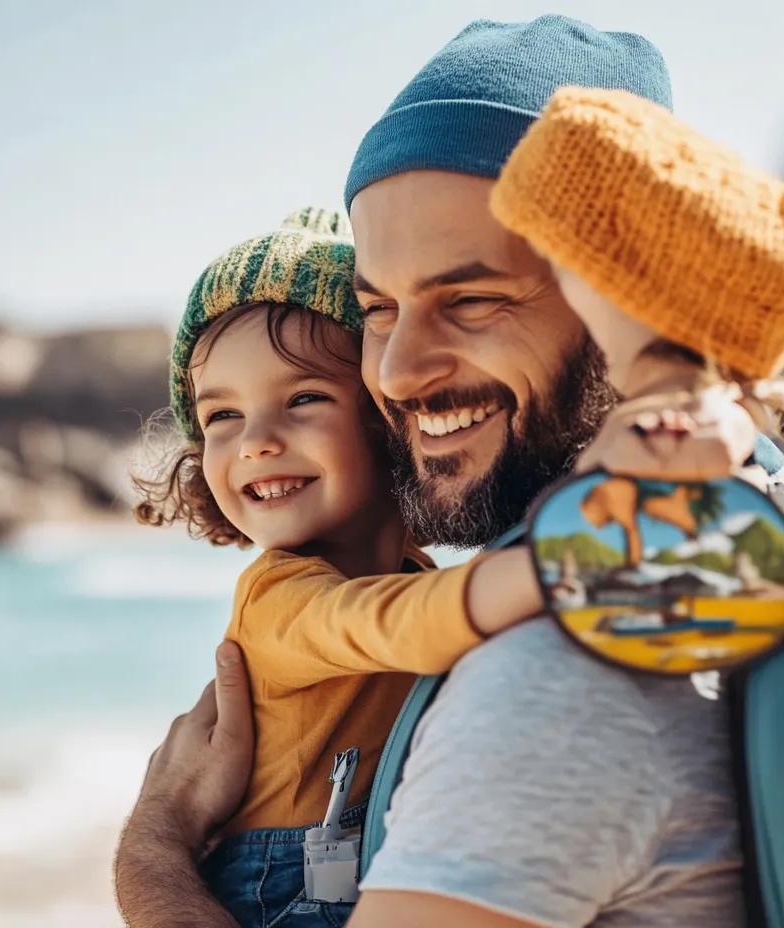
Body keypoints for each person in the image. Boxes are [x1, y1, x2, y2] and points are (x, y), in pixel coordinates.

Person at [116, 16, 784, 928]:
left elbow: (427, 622)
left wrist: (153, 850)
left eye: (472, 299)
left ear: (623, 300)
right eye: (379, 310)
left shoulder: (551, 682)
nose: (399, 372)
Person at [133, 207, 544, 927]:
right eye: (220, 417)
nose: (256, 441)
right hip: (275, 896)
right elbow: (391, 626)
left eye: (303, 399)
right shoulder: (279, 596)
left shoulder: (417, 577)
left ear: (391, 421)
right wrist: (558, 571)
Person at [489, 85, 784, 552]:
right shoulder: (737, 428)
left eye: (556, 260)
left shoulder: (659, 439)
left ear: (620, 288)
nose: (549, 283)